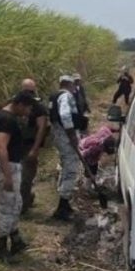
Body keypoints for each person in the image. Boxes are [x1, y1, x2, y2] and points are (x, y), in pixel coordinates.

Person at [0, 91, 37, 261]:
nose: (29, 112)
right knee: (6, 208)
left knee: (16, 204)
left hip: (10, 165)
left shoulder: (5, 116)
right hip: (6, 167)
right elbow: (1, 147)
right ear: (20, 104)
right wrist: (7, 176)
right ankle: (0, 249)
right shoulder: (7, 120)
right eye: (28, 108)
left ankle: (15, 240)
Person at [49, 74, 86, 220]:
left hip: (58, 135)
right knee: (71, 169)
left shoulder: (54, 95)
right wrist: (72, 135)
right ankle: (62, 206)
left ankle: (63, 201)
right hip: (66, 136)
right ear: (69, 85)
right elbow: (65, 115)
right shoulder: (66, 96)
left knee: (65, 165)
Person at [18, 78, 49, 214]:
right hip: (16, 145)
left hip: (29, 145)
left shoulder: (38, 107)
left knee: (26, 177)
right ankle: (25, 199)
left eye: (30, 91)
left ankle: (23, 206)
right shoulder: (17, 103)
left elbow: (42, 128)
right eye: (26, 91)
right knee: (19, 177)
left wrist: (35, 148)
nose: (28, 94)